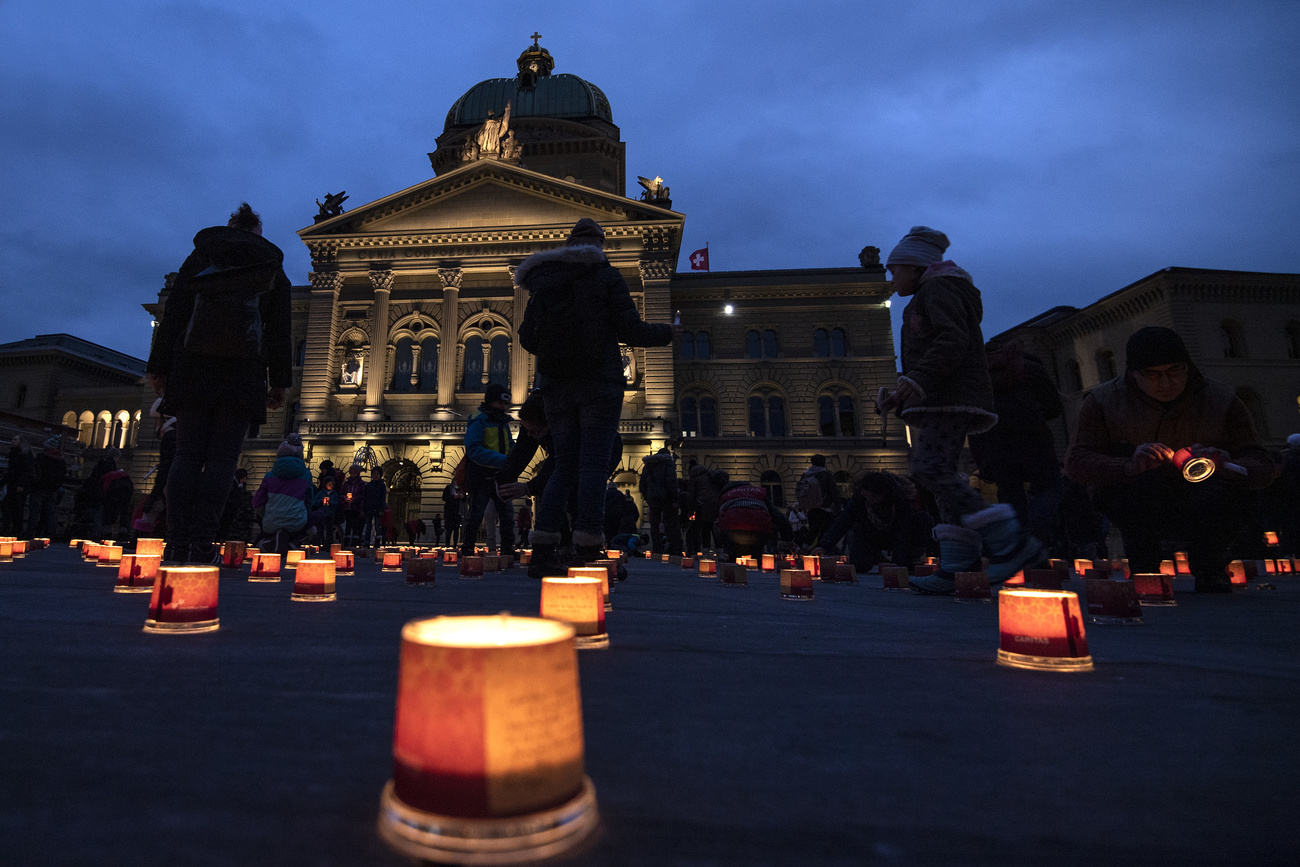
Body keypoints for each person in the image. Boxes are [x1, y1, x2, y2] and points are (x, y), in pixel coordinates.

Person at [878, 226, 1042, 593]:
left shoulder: (937, 290)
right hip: (941, 396)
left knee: (930, 467)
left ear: (916, 267)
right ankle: (956, 566)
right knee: (944, 479)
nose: (891, 279)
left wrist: (917, 379)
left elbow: (953, 340)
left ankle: (1011, 542)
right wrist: (904, 391)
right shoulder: (933, 291)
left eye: (895, 270)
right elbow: (939, 348)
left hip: (949, 399)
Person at [516, 217, 677, 576]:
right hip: (598, 385)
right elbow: (630, 330)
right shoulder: (607, 277)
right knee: (591, 465)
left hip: (556, 387)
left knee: (562, 466)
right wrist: (669, 332)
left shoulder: (545, 285)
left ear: (569, 247)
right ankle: (587, 549)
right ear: (599, 246)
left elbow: (527, 338)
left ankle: (543, 548)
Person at [1064, 326, 1275, 591]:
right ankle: (1145, 570)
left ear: (1188, 367)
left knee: (1219, 495)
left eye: (1174, 371)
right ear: (1132, 373)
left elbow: (1262, 463)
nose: (1165, 383)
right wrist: (1129, 465)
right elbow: (1077, 462)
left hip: (1205, 498)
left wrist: (1228, 465)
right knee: (1140, 488)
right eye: (1152, 374)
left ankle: (1211, 569)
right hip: (1137, 497)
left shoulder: (1221, 400)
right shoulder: (1103, 401)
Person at [146, 202, 292, 563]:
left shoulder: (200, 256)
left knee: (186, 455)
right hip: (242, 373)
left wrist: (158, 366)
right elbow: (279, 330)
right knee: (223, 459)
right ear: (257, 232)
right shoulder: (270, 265)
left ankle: (176, 541)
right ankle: (202, 542)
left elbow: (175, 312)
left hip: (193, 367)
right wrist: (280, 381)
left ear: (229, 227)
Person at [967, 338, 1065, 551]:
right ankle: (1036, 535)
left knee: (1010, 496)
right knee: (1049, 487)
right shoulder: (1030, 367)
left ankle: (1017, 549)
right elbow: (1054, 407)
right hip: (1033, 441)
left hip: (992, 445)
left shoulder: (974, 375)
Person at [816, 472, 935, 573]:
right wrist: (824, 545)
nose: (869, 499)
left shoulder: (901, 503)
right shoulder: (860, 501)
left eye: (873, 496)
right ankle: (876, 557)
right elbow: (842, 522)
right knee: (859, 565)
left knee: (901, 565)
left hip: (898, 535)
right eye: (866, 494)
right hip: (870, 536)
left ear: (884, 494)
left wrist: (901, 558)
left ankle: (911, 556)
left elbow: (903, 531)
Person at [459, 382, 516, 557]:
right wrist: (504, 460)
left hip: (501, 476)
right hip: (481, 477)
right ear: (491, 401)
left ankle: (507, 548)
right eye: (501, 403)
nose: (504, 407)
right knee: (476, 514)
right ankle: (467, 547)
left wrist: (514, 460)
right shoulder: (479, 421)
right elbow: (473, 449)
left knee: (507, 515)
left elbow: (509, 445)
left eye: (506, 404)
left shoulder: (503, 423)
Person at [253, 434, 313, 556]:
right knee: (317, 520)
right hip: (296, 522)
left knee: (267, 528)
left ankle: (268, 541)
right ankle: (293, 543)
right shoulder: (306, 475)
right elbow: (309, 500)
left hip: (271, 521)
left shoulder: (269, 475)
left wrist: (266, 514)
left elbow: (256, 502)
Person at [714, 480, 794, 562]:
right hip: (759, 532)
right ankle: (757, 555)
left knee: (717, 524)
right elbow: (778, 516)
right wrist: (788, 538)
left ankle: (732, 556)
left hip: (731, 533)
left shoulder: (725, 495)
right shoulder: (758, 493)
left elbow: (716, 516)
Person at [639, 448, 681, 556]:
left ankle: (657, 548)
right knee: (670, 523)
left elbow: (642, 484)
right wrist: (675, 498)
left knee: (654, 524)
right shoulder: (668, 463)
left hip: (652, 498)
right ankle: (671, 547)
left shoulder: (648, 465)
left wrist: (648, 497)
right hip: (666, 497)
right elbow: (671, 481)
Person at [27, 436, 67, 538]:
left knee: (35, 513)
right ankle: (48, 535)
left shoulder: (41, 458)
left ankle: (30, 534)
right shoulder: (61, 461)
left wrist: (34, 484)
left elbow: (34, 473)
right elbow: (62, 476)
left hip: (39, 489)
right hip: (53, 490)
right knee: (49, 513)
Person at [794, 455, 838, 547]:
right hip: (825, 509)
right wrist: (838, 508)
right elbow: (834, 492)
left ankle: (805, 548)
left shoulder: (805, 474)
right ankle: (822, 552)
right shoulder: (827, 474)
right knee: (826, 532)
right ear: (823, 462)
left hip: (810, 508)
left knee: (813, 531)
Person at [687, 461, 728, 554]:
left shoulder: (694, 478)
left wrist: (691, 512)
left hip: (703, 506)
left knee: (705, 529)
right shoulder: (710, 474)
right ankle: (720, 553)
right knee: (716, 529)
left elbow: (691, 497)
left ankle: (705, 553)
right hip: (717, 505)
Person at [1, 436, 36, 535]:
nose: (12, 441)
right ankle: (13, 528)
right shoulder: (14, 454)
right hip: (14, 483)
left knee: (14, 507)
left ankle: (14, 529)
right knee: (13, 507)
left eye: (15, 439)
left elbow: (26, 471)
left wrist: (21, 484)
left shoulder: (24, 455)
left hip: (19, 485)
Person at [361, 467, 388, 548]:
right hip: (369, 507)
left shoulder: (382, 486)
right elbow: (364, 497)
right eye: (374, 474)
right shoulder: (368, 485)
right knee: (368, 525)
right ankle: (367, 541)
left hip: (377, 507)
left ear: (380, 475)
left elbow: (383, 498)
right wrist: (363, 508)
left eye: (377, 474)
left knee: (377, 525)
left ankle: (377, 541)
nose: (375, 475)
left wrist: (381, 509)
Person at [341, 464, 366, 546]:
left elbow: (363, 496)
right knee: (348, 524)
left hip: (356, 508)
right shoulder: (346, 483)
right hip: (347, 508)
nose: (353, 475)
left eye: (355, 473)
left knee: (355, 525)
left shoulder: (361, 484)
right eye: (351, 473)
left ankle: (355, 542)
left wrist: (355, 499)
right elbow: (341, 493)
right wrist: (344, 498)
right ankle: (347, 541)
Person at [312, 476, 340, 546]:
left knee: (329, 529)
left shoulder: (334, 494)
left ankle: (328, 544)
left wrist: (331, 502)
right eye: (329, 484)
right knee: (320, 529)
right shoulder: (321, 492)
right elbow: (314, 501)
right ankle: (318, 543)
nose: (331, 485)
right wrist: (321, 502)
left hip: (329, 514)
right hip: (321, 514)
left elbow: (337, 503)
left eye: (332, 484)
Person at [442, 482, 462, 549]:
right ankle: (447, 545)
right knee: (449, 530)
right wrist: (452, 497)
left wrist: (462, 496)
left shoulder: (461, 488)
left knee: (456, 531)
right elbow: (444, 498)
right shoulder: (448, 488)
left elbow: (465, 499)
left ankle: (455, 545)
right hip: (449, 514)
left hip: (457, 514)